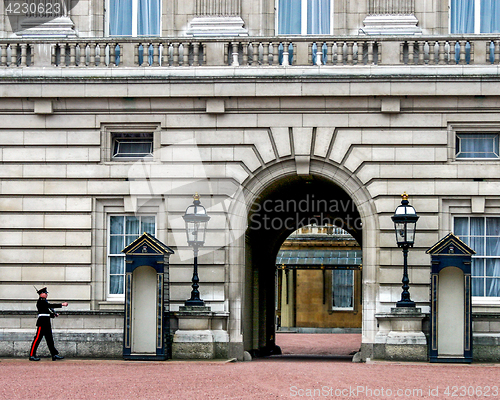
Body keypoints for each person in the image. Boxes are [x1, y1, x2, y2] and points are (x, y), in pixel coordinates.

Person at [29, 287, 68, 361]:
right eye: (45, 293)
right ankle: (32, 355)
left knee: (50, 339)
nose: (46, 294)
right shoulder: (41, 301)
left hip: (46, 321)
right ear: (41, 294)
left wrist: (53, 315)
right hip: (42, 322)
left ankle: (54, 354)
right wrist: (61, 304)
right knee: (37, 339)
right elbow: (49, 306)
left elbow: (46, 311)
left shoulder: (44, 301)